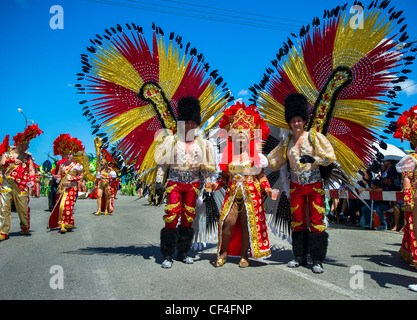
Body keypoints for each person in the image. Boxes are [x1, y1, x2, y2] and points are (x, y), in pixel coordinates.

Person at [267, 93, 336, 273]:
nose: (296, 123)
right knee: (297, 221)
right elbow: (272, 161)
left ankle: (317, 259)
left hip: (314, 185)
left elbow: (330, 157)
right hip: (296, 186)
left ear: (304, 120)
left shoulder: (314, 137)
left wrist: (313, 158)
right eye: (293, 121)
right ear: (289, 122)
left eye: (299, 120)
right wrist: (252, 159)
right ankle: (299, 256)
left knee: (316, 221)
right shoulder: (287, 142)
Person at [155, 96, 216, 269]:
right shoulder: (171, 141)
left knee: (188, 218)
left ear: (197, 124)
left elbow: (207, 169)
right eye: (186, 122)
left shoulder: (203, 144)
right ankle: (167, 254)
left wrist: (209, 187)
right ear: (181, 123)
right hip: (175, 183)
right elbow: (162, 164)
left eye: (193, 123)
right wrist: (159, 183)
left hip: (193, 185)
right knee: (171, 216)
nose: (190, 126)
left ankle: (183, 252)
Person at [211, 101, 275, 268]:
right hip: (232, 194)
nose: (241, 136)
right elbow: (224, 178)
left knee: (247, 224)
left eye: (244, 133)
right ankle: (223, 253)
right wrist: (214, 186)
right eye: (237, 133)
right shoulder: (228, 156)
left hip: (251, 196)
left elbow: (261, 176)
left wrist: (268, 190)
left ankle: (244, 255)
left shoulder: (256, 156)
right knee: (228, 222)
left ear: (250, 135)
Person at [0, 124, 43, 240]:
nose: (28, 146)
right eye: (26, 144)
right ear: (19, 144)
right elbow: (1, 165)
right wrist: (10, 161)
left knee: (23, 208)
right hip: (7, 184)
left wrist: (32, 181)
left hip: (22, 186)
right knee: (4, 208)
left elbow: (31, 171)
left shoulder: (27, 157)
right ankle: (3, 231)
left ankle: (24, 226)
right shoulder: (7, 154)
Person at [47, 134, 84, 233]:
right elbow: (58, 176)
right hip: (62, 188)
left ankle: (66, 223)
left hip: (72, 188)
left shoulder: (77, 165)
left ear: (73, 155)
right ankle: (63, 224)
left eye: (70, 154)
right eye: (67, 154)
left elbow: (81, 176)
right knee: (61, 206)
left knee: (68, 206)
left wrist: (74, 178)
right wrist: (56, 177)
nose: (68, 156)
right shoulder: (61, 165)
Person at [95, 150, 117, 215]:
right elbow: (98, 177)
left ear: (106, 162)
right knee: (99, 195)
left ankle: (106, 209)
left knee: (107, 197)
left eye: (102, 162)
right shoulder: (100, 169)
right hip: (101, 183)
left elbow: (114, 177)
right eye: (101, 162)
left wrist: (107, 177)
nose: (101, 163)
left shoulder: (110, 169)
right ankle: (99, 209)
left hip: (107, 184)